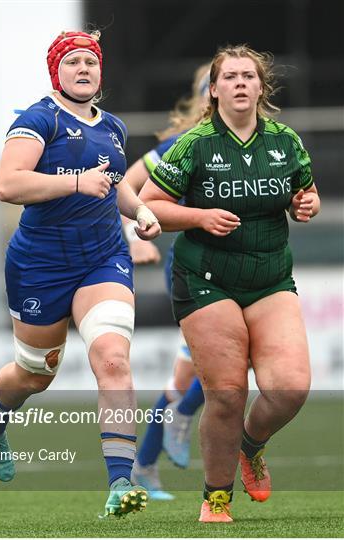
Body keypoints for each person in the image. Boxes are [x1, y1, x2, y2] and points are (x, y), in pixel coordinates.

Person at [0, 29, 161, 519]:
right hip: (39, 264)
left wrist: (138, 209)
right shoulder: (40, 118)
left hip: (102, 258)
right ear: (55, 72)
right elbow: (7, 183)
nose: (84, 69)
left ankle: (121, 484)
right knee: (36, 374)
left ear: (101, 72)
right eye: (73, 62)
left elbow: (114, 183)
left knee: (114, 359)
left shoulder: (115, 127)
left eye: (91, 62)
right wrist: (75, 182)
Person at [140, 44, 320, 522]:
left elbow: (307, 192)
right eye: (231, 76)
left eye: (249, 76)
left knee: (290, 389)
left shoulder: (285, 140)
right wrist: (198, 214)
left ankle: (250, 445)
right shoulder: (194, 143)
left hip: (270, 279)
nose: (241, 83)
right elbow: (148, 203)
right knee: (226, 392)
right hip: (205, 279)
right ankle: (215, 499)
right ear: (214, 89)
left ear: (261, 88)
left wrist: (307, 205)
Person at [122, 64, 212, 500]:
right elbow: (126, 185)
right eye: (221, 83)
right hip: (193, 265)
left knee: (185, 376)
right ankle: (182, 416)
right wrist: (132, 234)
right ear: (207, 96)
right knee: (224, 359)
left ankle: (143, 464)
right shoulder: (184, 144)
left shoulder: (264, 141)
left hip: (241, 266)